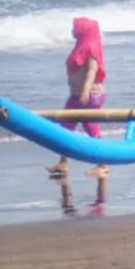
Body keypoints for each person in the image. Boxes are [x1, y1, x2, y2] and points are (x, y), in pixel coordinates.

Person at [48, 17, 108, 179]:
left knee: (91, 128)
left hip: (89, 95)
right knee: (65, 127)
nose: (73, 30)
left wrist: (86, 89)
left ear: (85, 30)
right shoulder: (80, 46)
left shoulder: (91, 47)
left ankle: (102, 165)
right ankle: (63, 162)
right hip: (76, 95)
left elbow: (92, 70)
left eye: (76, 27)